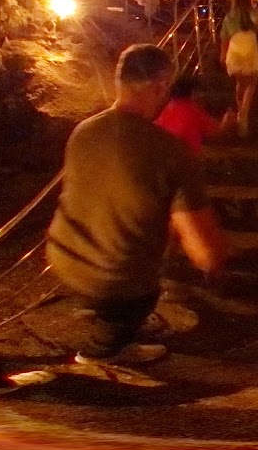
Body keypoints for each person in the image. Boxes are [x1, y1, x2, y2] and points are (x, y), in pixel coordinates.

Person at [47, 45, 230, 367]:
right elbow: (206, 253)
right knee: (142, 294)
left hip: (63, 258)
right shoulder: (171, 152)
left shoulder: (83, 131)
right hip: (114, 280)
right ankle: (102, 350)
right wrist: (215, 266)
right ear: (160, 86)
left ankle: (104, 316)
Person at [219, 0, 258, 139]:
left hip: (235, 48)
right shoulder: (253, 13)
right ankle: (243, 115)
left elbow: (224, 37)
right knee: (251, 83)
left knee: (240, 83)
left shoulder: (230, 16)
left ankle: (240, 113)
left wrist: (223, 54)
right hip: (250, 46)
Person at [155, 73, 232, 155]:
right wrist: (227, 120)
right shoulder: (193, 111)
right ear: (193, 93)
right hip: (187, 159)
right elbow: (216, 132)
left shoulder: (166, 110)